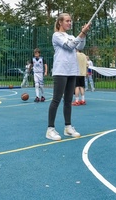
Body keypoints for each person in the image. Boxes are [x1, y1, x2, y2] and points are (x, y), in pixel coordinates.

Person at [46, 13, 90, 141]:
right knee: (56, 100)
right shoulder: (56, 36)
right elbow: (70, 46)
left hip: (72, 71)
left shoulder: (71, 36)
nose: (70, 23)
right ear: (60, 22)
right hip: (61, 71)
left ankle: (68, 127)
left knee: (68, 101)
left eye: (71, 21)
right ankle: (50, 129)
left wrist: (84, 34)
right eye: (67, 21)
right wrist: (81, 33)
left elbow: (80, 46)